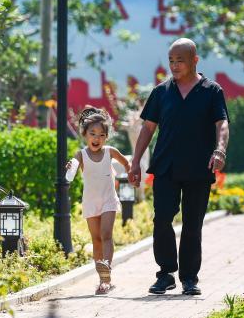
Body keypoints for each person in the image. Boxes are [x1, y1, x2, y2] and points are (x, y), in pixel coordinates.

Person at [128, 38, 230, 297]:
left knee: (192, 224)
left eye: (179, 60)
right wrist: (136, 162)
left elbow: (222, 124)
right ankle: (165, 274)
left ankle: (189, 278)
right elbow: (147, 128)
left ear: (194, 60)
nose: (174, 65)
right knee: (162, 218)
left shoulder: (211, 91)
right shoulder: (161, 92)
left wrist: (220, 149)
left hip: (198, 166)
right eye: (171, 60)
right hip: (166, 166)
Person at [66, 106, 131, 295]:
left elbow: (126, 163)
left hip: (108, 199)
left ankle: (106, 274)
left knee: (106, 235)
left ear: (106, 137)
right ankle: (102, 279)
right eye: (93, 134)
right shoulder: (81, 155)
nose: (97, 138)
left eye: (102, 135)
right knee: (96, 240)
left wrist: (131, 174)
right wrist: (69, 169)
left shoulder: (110, 152)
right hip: (91, 202)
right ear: (85, 134)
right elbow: (71, 170)